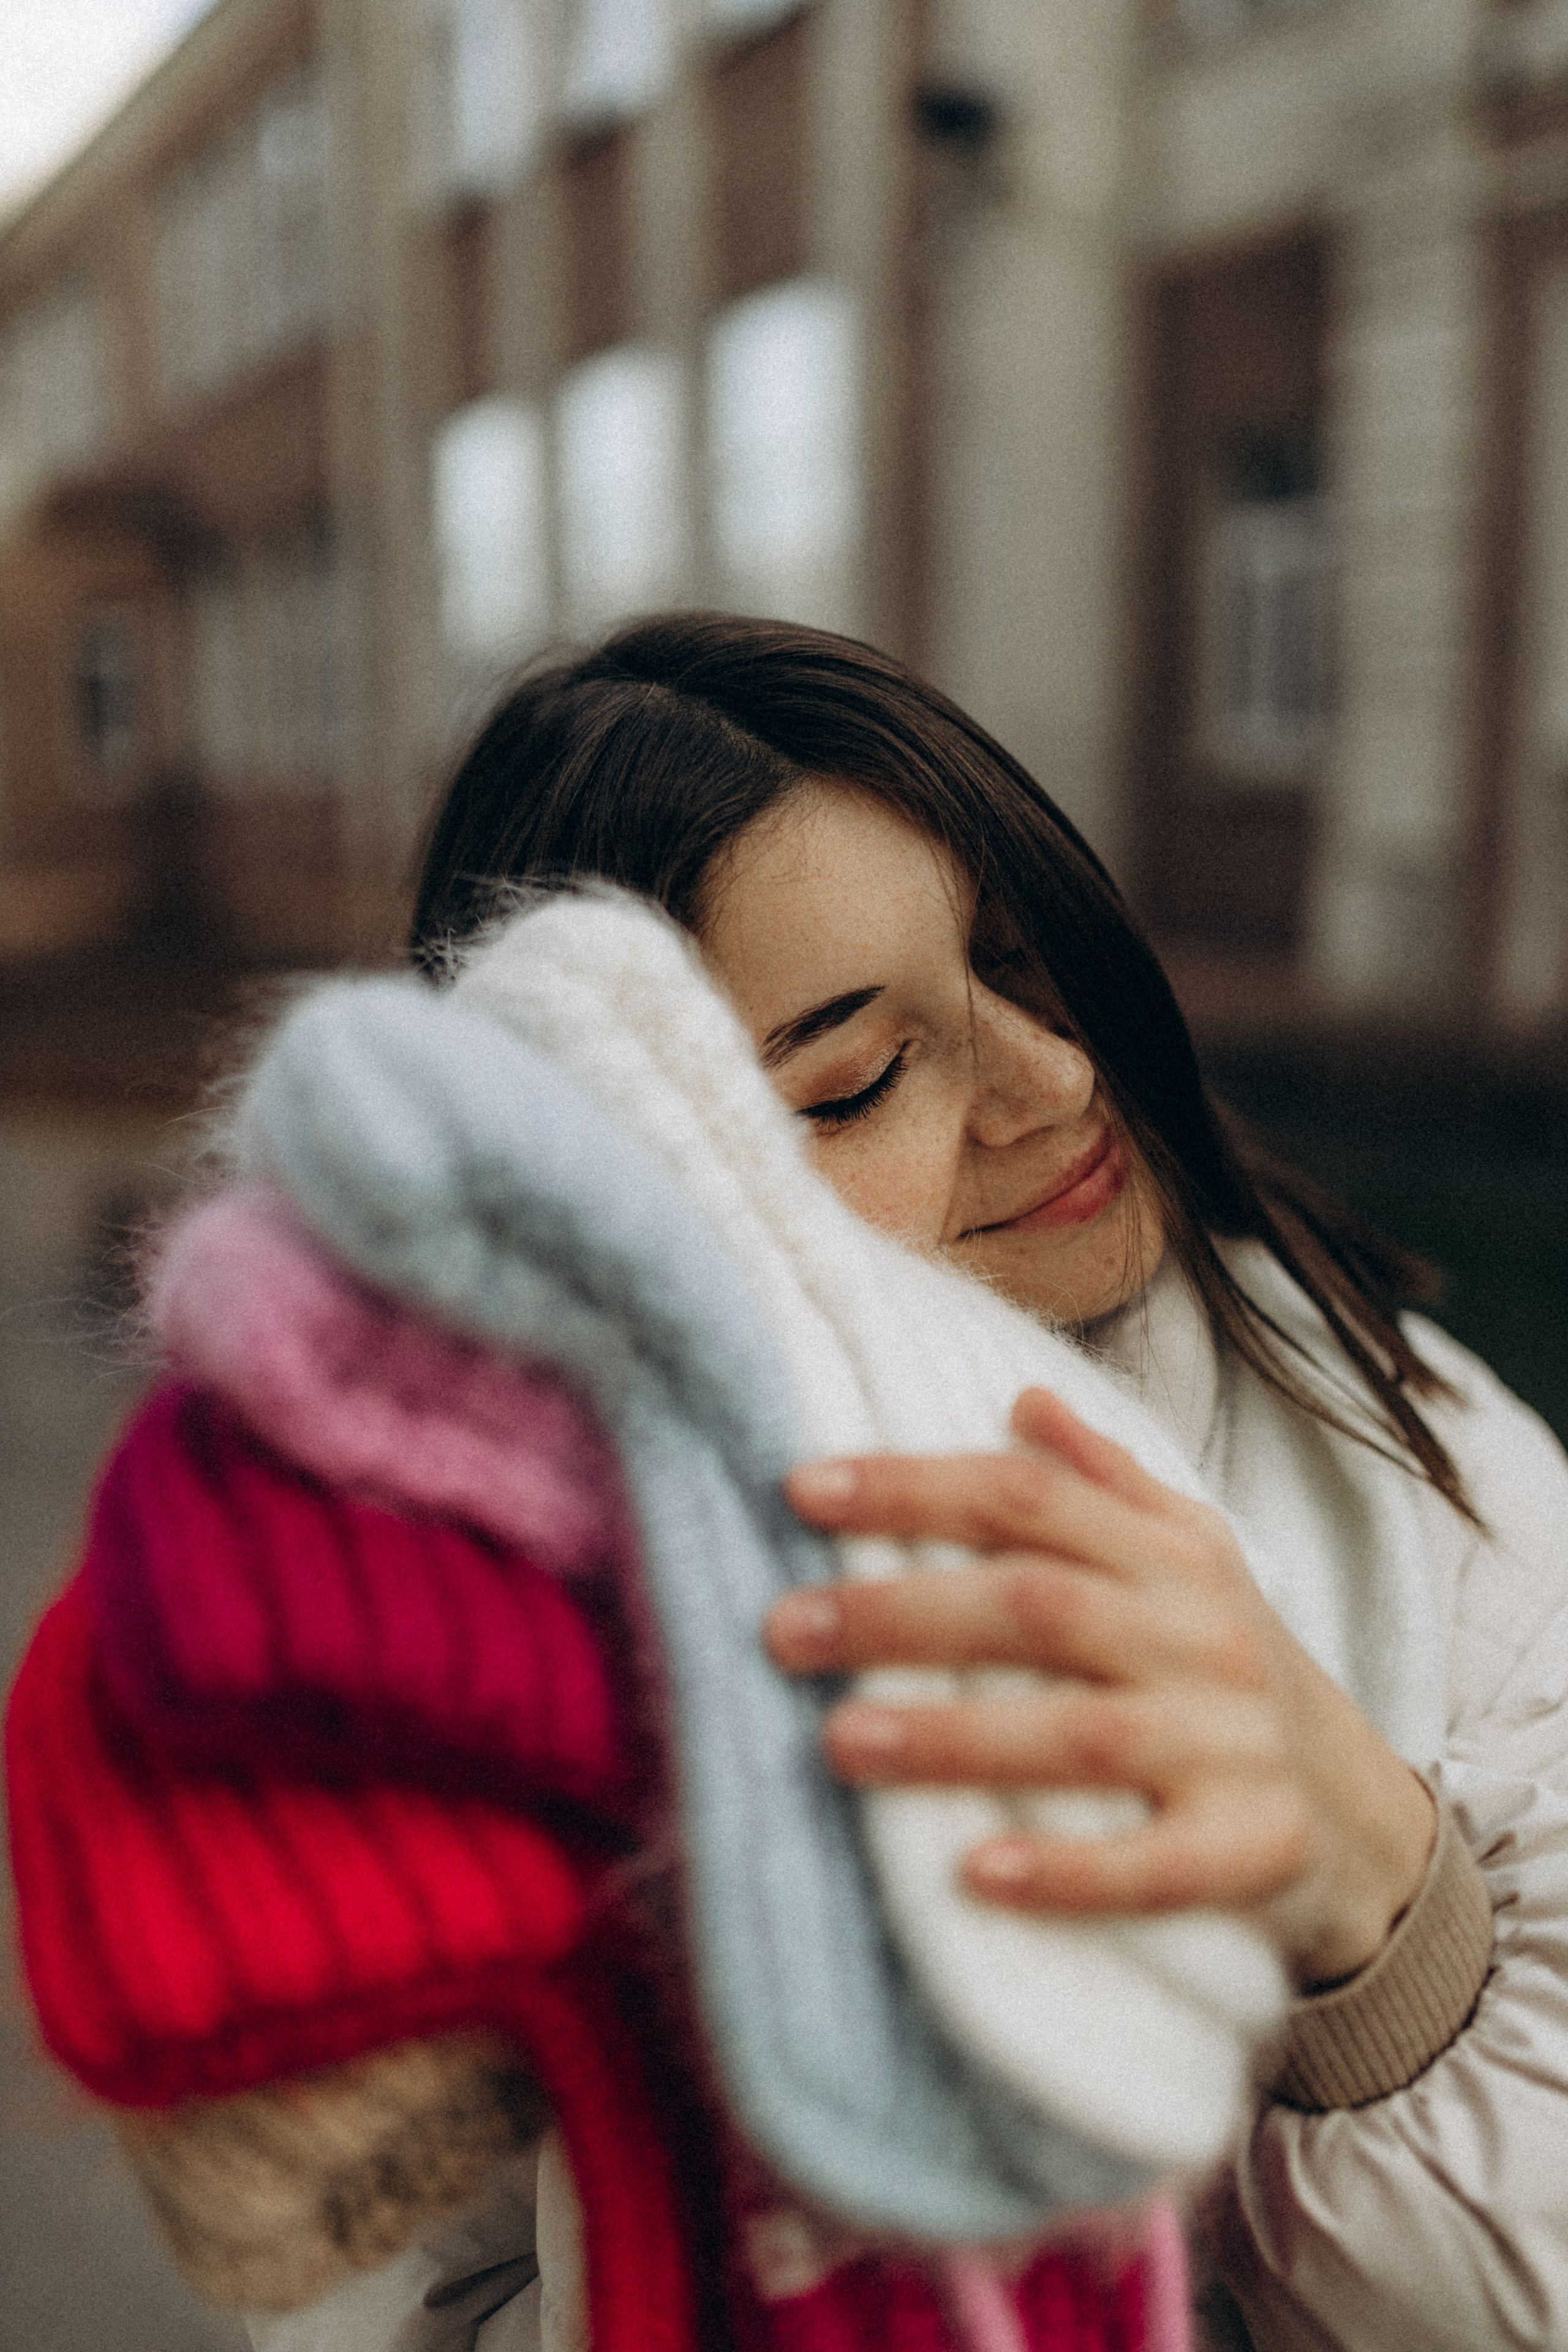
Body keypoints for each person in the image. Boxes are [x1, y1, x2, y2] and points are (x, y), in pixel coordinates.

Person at [396, 612, 1568, 2352]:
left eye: (1026, 963)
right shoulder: (436, 1670)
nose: (1059, 1082)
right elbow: (384, 2293)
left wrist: (1368, 1885)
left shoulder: (1434, 1468)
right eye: (863, 1075)